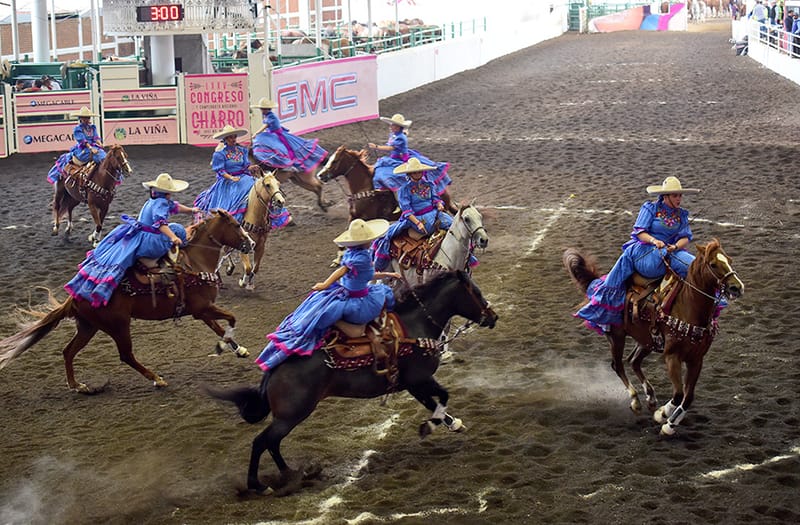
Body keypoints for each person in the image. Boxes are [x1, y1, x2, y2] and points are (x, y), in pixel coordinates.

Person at [254, 218, 399, 371]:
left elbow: (363, 275)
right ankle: (339, 323)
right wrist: (325, 284)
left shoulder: (352, 253)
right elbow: (344, 271)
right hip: (358, 299)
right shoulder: (362, 258)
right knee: (365, 322)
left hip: (346, 291)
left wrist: (388, 274)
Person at [574, 176, 700, 334]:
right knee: (662, 258)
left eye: (680, 195)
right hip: (645, 252)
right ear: (665, 196)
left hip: (671, 252)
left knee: (696, 266)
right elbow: (640, 232)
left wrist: (674, 246)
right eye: (675, 195)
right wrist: (655, 241)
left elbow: (685, 237)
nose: (679, 198)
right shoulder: (650, 209)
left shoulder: (682, 215)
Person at [64, 173, 200, 308]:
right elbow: (161, 223)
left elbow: (175, 206)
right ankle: (181, 253)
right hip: (150, 242)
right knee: (177, 229)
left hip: (140, 235)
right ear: (168, 193)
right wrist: (173, 237)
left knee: (174, 228)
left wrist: (191, 210)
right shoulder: (161, 203)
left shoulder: (154, 200)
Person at [372, 158, 455, 271]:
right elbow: (407, 211)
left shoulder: (429, 184)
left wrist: (439, 204)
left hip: (435, 214)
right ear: (409, 174)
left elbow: (436, 199)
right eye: (415, 172)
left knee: (454, 225)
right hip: (417, 218)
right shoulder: (404, 190)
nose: (418, 174)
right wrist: (417, 223)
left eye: (419, 171)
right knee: (389, 235)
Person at [367, 113, 452, 199]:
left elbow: (391, 147)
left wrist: (377, 147)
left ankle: (401, 197)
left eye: (393, 125)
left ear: (398, 127)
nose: (390, 126)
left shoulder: (400, 138)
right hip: (394, 158)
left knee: (392, 175)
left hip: (402, 158)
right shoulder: (395, 134)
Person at [250, 97, 328, 174]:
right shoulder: (268, 116)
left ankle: (284, 165)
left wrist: (256, 133)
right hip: (273, 134)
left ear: (267, 109)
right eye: (261, 109)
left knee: (278, 148)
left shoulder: (271, 116)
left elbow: (265, 126)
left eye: (263, 109)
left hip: (277, 135)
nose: (261, 110)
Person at [47, 106, 106, 187]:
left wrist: (99, 143)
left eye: (88, 117)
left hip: (94, 147)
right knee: (99, 157)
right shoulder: (78, 129)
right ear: (80, 118)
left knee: (105, 156)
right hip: (83, 149)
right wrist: (91, 148)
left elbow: (96, 137)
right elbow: (83, 141)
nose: (87, 119)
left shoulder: (92, 127)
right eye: (85, 118)